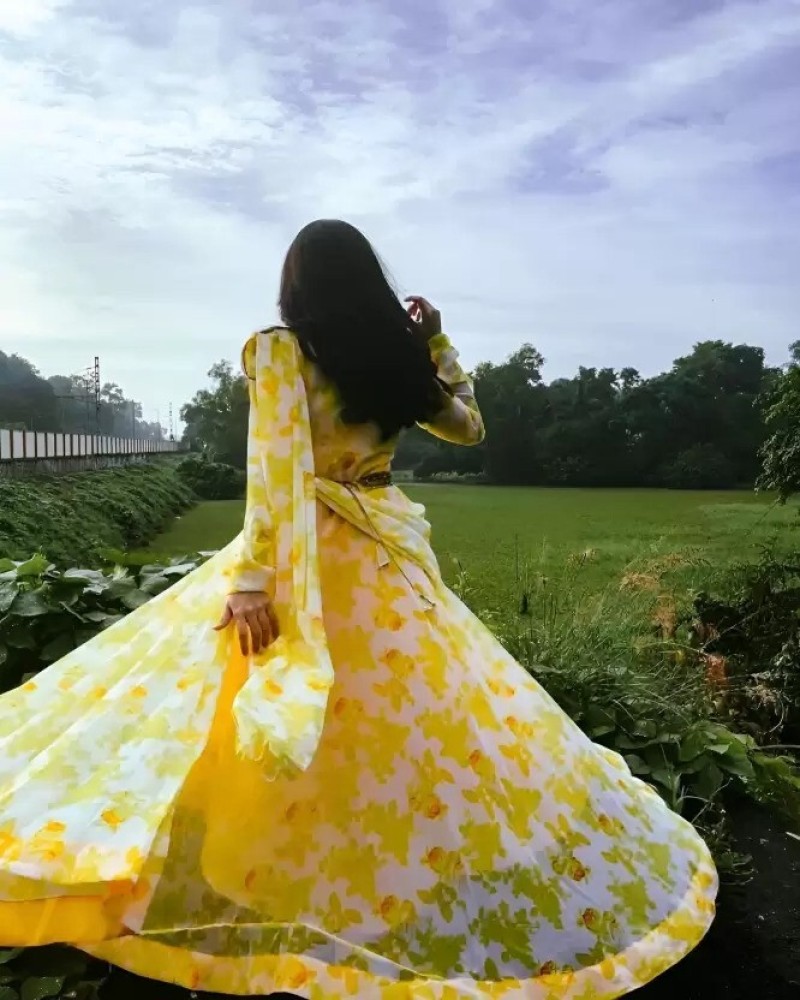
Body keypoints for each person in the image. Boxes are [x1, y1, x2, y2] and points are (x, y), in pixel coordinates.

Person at [0, 220, 716, 998]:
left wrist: (248, 582)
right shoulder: (400, 361)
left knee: (253, 711)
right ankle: (386, 884)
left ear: (297, 282)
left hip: (312, 556)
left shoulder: (278, 350)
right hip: (383, 554)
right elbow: (468, 426)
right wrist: (436, 345)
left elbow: (275, 473)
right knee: (403, 725)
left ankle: (266, 881)